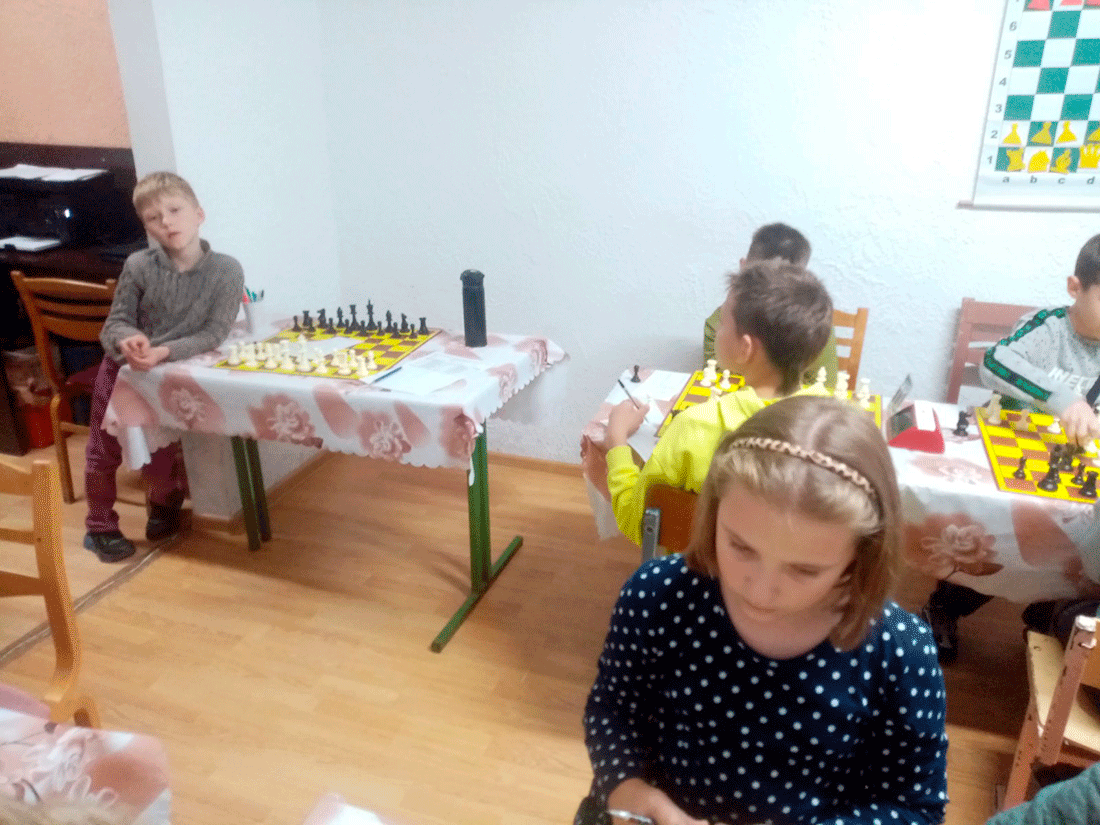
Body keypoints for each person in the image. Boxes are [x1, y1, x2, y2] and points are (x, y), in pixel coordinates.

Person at [579, 396, 948, 825]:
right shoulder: (658, 595)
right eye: (740, 546)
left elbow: (915, 807)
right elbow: (613, 710)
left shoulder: (900, 651)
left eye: (804, 570)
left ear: (861, 555)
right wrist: (630, 792)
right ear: (713, 511)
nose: (760, 591)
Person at [922, 233, 1100, 664]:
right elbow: (995, 362)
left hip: (1068, 465)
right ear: (1074, 287)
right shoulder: (1048, 328)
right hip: (1010, 451)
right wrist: (1064, 399)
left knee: (1071, 539)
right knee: (994, 535)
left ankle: (1048, 610)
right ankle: (946, 604)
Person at [606, 260, 833, 545]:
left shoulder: (694, 427)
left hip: (705, 570)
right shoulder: (835, 423)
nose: (717, 329)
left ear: (745, 348)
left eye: (723, 322)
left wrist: (616, 442)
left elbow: (637, 522)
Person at [84, 172, 244, 563]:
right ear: (146, 227)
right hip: (122, 372)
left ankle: (164, 503)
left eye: (175, 211)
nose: (167, 223)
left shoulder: (226, 270)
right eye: (154, 218)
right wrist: (129, 340)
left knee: (164, 445)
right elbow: (116, 323)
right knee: (104, 450)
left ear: (199, 214)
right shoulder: (138, 265)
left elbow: (214, 332)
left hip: (165, 372)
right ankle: (99, 526)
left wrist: (163, 352)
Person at [702, 222, 838, 387]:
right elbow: (712, 385)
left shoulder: (815, 326)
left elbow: (826, 388)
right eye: (755, 279)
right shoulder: (718, 324)